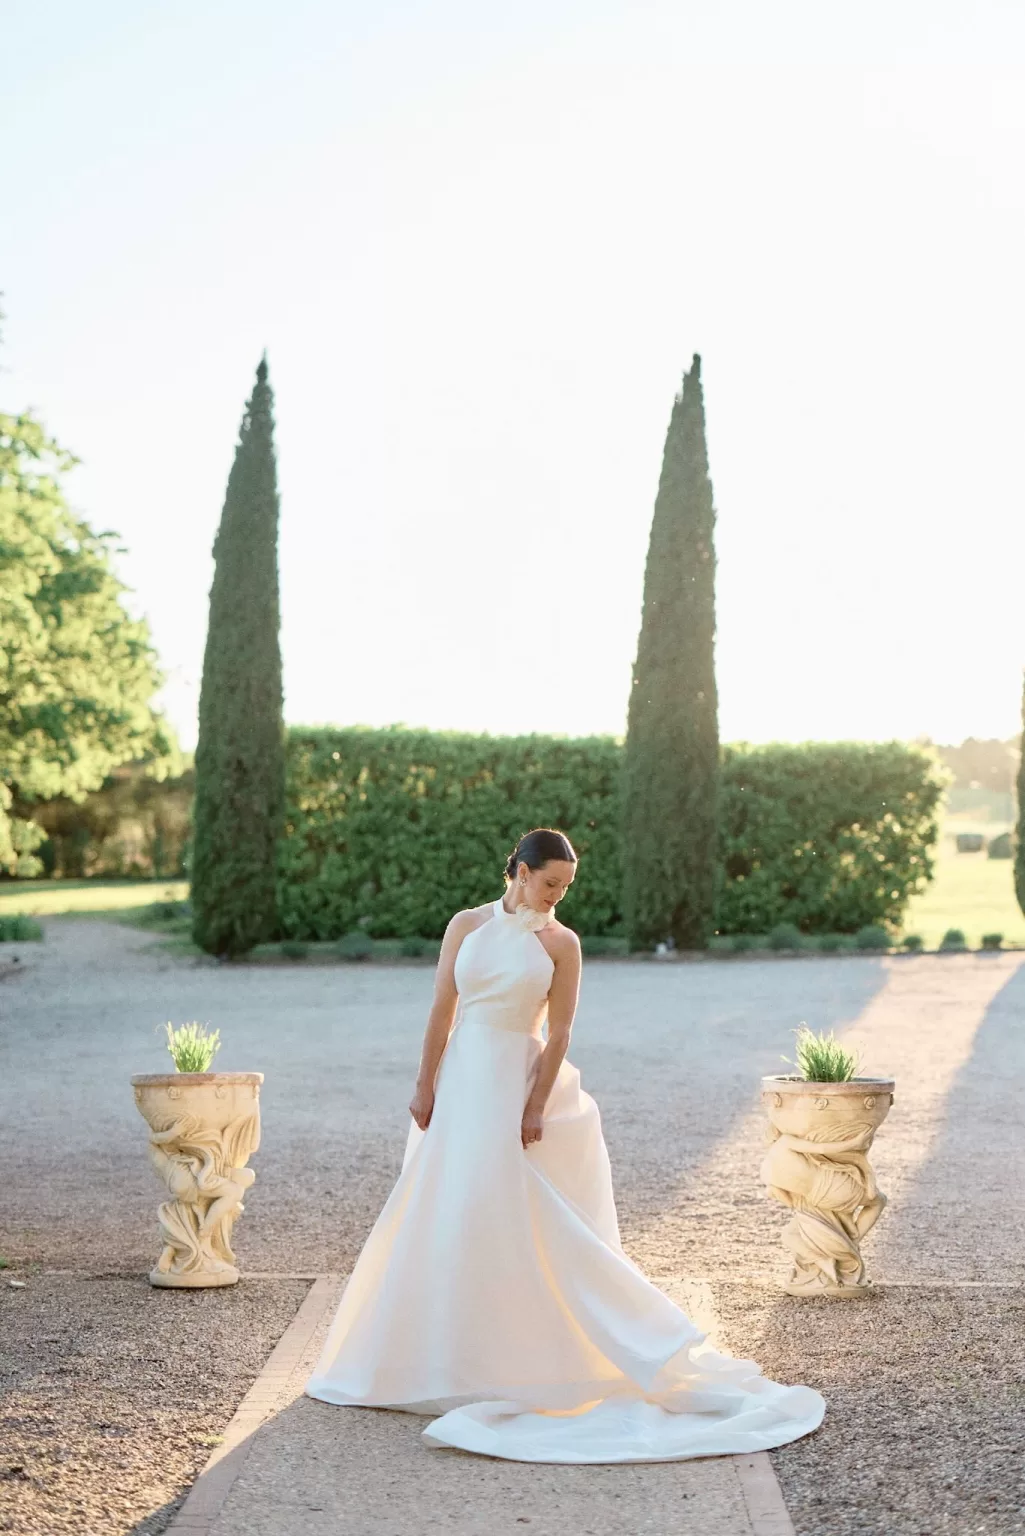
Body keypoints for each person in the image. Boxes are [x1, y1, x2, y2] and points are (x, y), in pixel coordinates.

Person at [304, 827, 825, 1462]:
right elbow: (442, 1007)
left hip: (516, 1080)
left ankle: (544, 1352)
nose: (557, 896)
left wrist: (534, 1104)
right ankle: (437, 1357)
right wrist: (424, 1085)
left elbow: (559, 1033)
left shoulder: (563, 943)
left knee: (509, 1209)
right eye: (549, 883)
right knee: (448, 1205)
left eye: (565, 887)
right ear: (518, 872)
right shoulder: (465, 925)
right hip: (464, 1075)